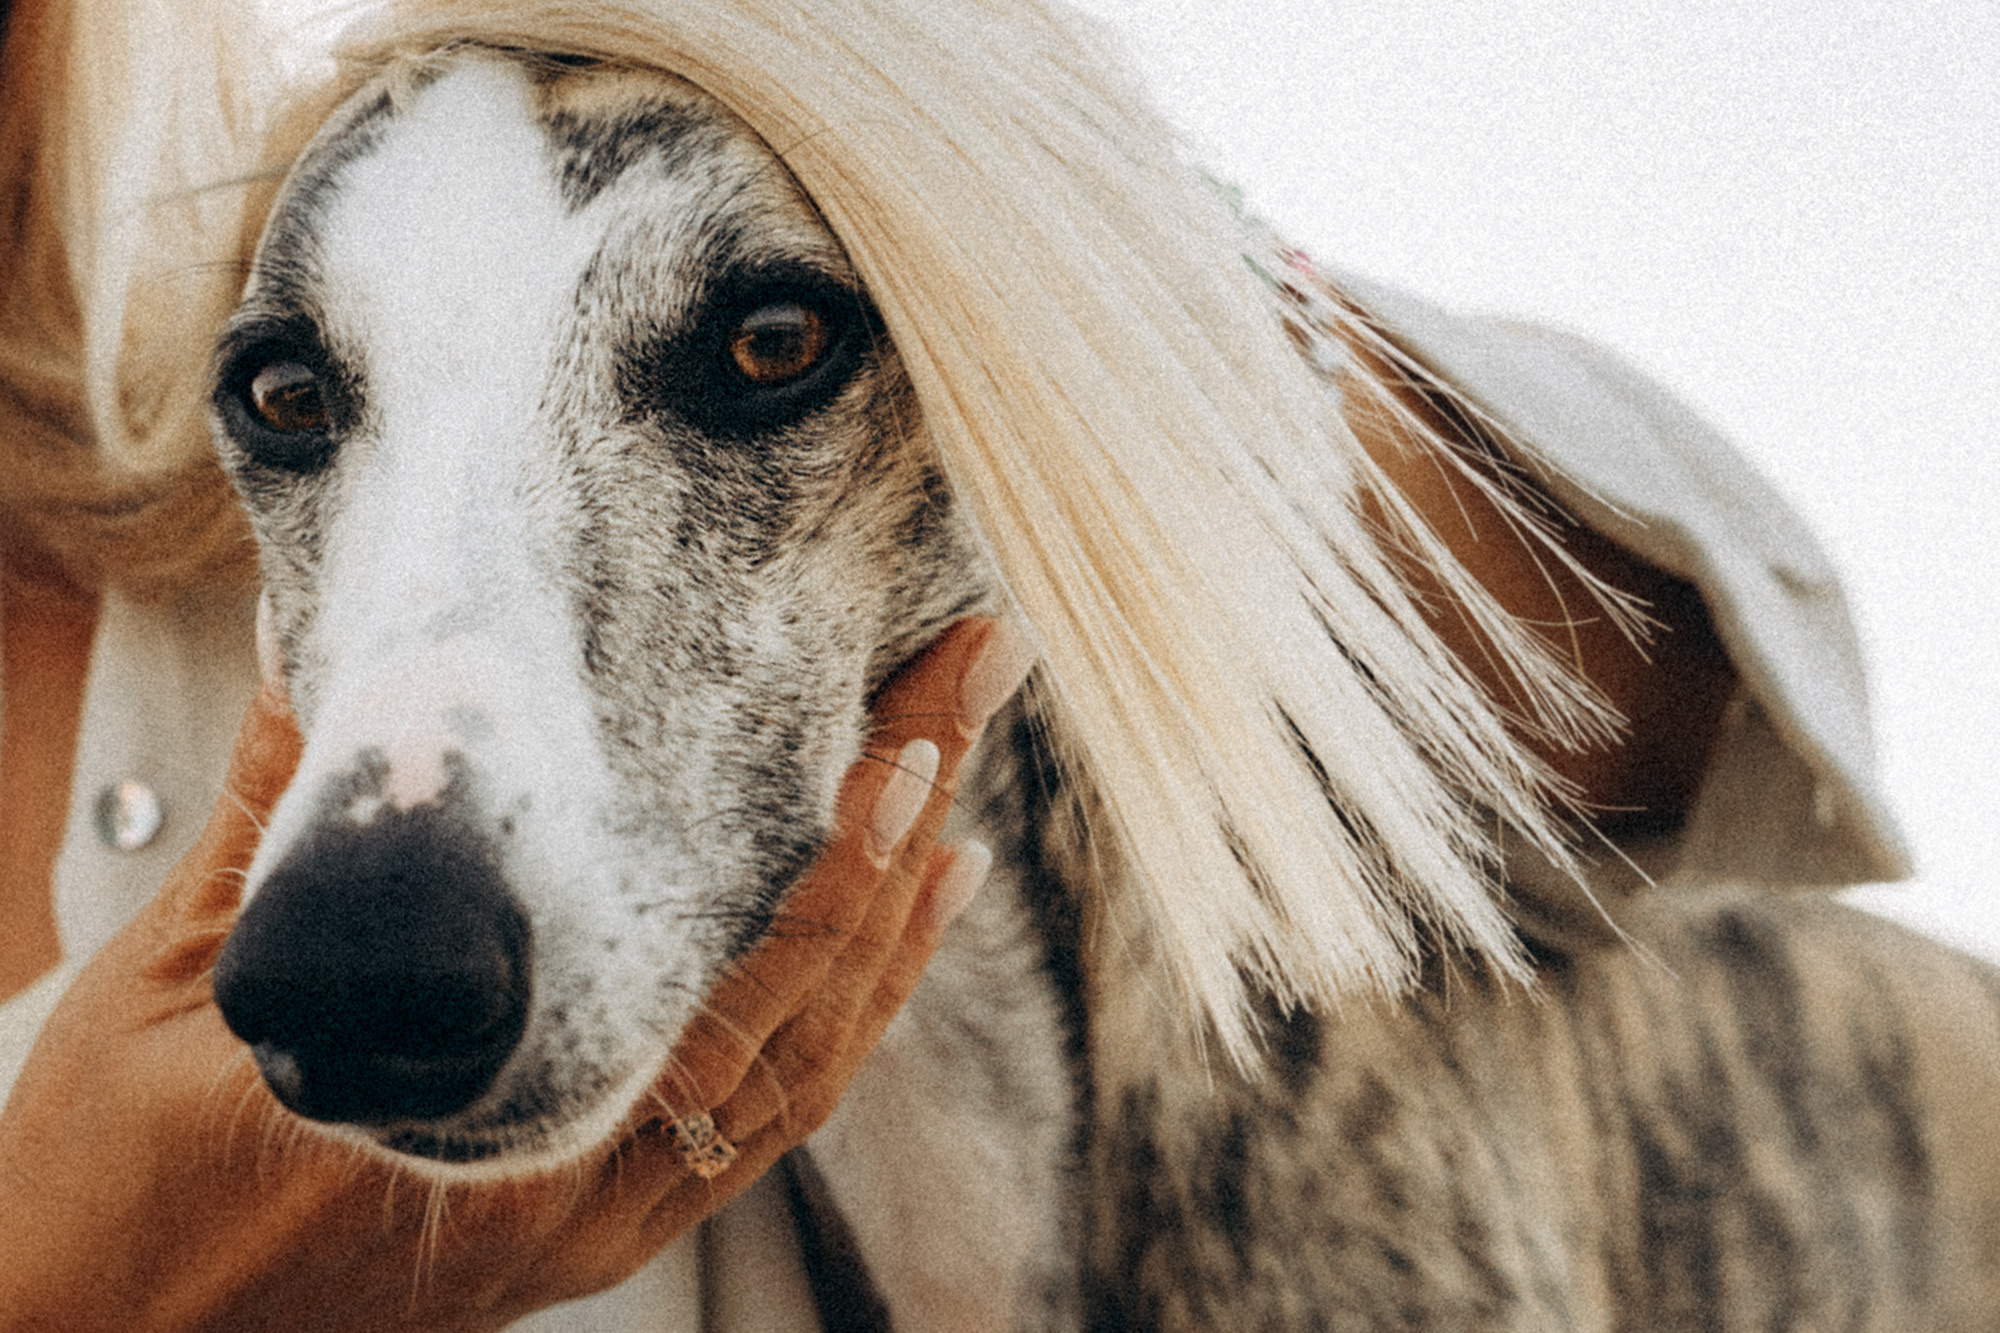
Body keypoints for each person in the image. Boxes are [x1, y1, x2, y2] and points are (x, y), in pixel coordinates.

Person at [0, 0, 1911, 1327]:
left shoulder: (177, 372)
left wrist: (1069, 227)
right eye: (303, 399)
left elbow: (1712, 672)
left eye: (757, 348)